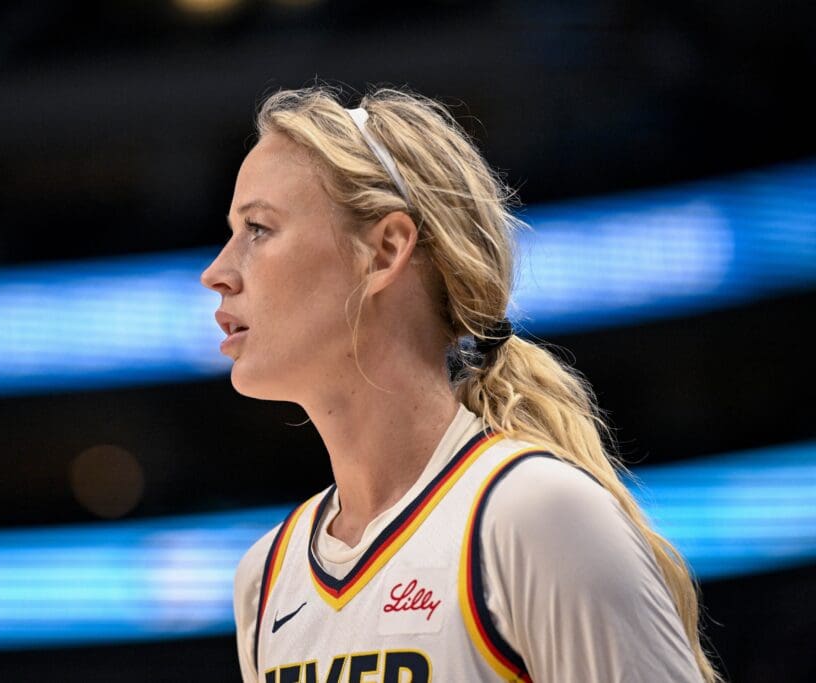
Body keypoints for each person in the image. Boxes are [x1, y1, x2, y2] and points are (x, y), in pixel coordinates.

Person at [201, 86, 719, 683]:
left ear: (385, 250)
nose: (217, 272)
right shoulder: (265, 579)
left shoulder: (537, 516)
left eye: (258, 229)